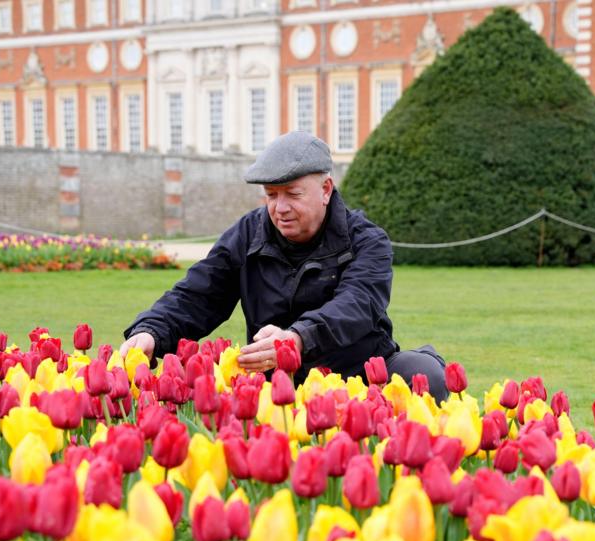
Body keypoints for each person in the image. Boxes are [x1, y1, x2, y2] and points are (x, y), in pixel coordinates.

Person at [119, 130, 449, 396]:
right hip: (274, 384)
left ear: (325, 189)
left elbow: (358, 304)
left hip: (357, 376)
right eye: (271, 195)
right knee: (192, 384)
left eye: (292, 193)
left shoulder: (367, 240)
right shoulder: (247, 233)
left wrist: (298, 339)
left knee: (425, 375)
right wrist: (151, 331)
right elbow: (198, 294)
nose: (280, 207)